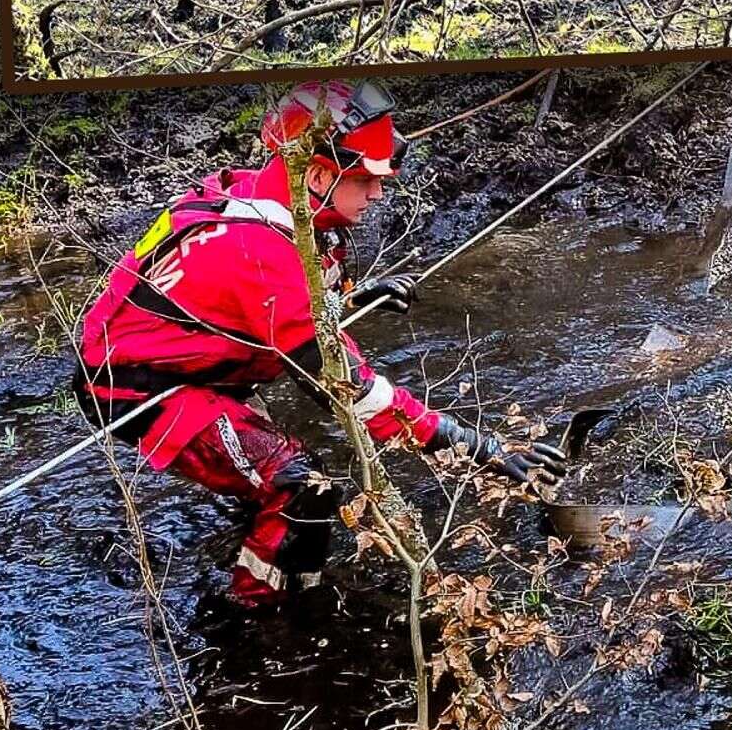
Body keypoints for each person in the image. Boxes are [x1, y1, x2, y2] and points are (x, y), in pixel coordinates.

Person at [74, 80, 567, 610]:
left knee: (269, 469)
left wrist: (354, 299)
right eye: (365, 181)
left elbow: (274, 305)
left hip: (192, 362)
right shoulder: (261, 253)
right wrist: (474, 447)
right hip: (135, 389)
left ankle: (253, 530)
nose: (377, 194)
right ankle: (261, 616)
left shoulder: (257, 194)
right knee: (302, 486)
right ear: (315, 174)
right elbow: (347, 389)